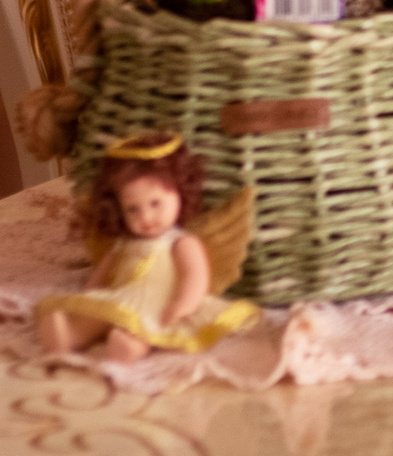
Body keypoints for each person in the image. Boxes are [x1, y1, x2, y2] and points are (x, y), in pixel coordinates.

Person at [35, 133, 258, 360]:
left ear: (179, 193)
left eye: (155, 203)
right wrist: (90, 296)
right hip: (121, 297)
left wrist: (184, 304)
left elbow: (195, 275)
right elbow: (103, 272)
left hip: (158, 303)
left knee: (142, 327)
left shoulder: (180, 242)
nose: (146, 216)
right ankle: (70, 336)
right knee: (96, 317)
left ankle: (130, 347)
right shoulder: (123, 243)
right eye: (133, 209)